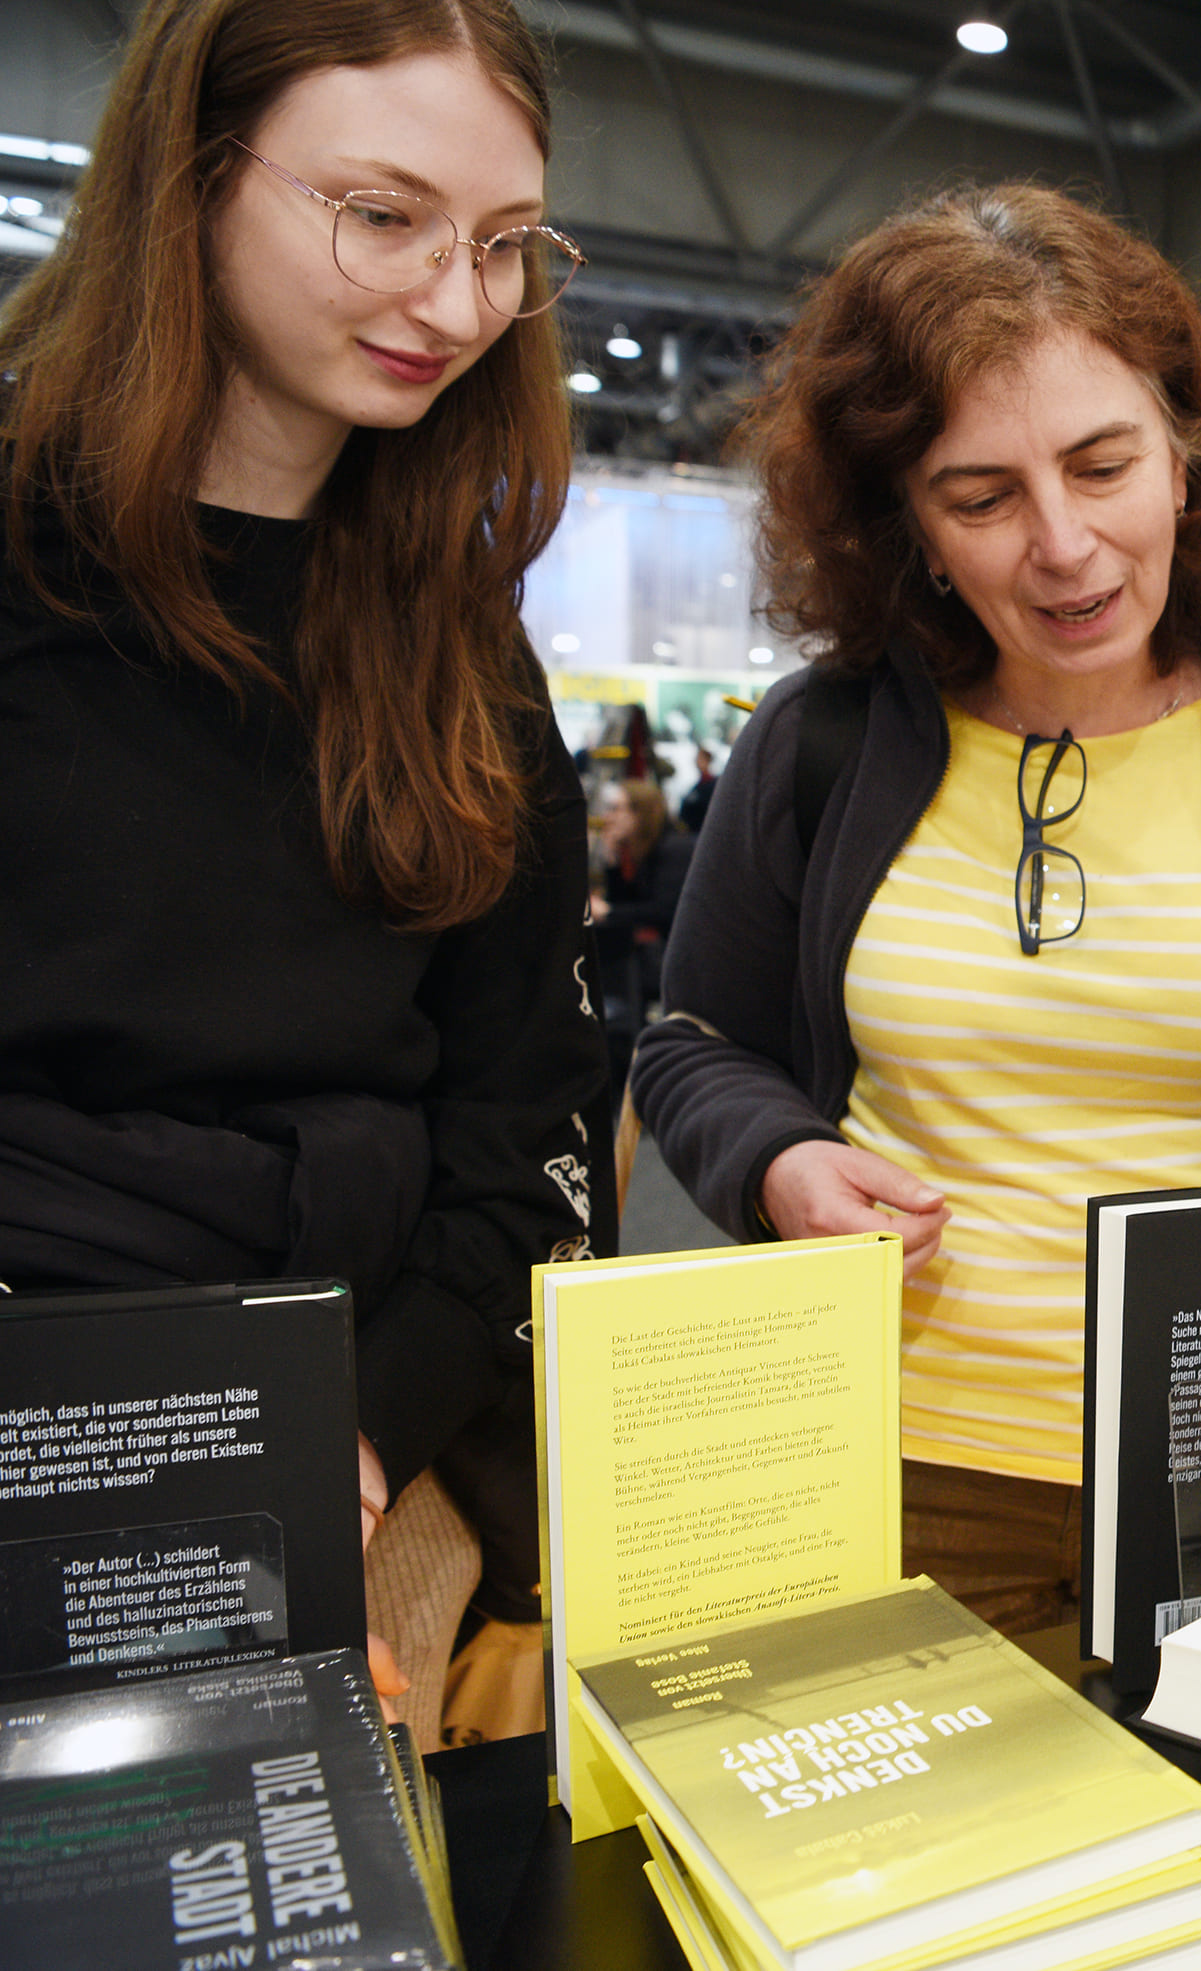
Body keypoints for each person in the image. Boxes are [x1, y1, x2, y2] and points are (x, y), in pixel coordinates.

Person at [632, 184, 1201, 1635]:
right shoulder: (820, 743)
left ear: (1185, 452)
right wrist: (782, 1160)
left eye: (1103, 464)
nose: (1063, 542)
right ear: (906, 523)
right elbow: (691, 1042)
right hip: (902, 1467)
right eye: (980, 496)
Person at [0, 0, 603, 1743]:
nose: (454, 302)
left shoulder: (462, 646)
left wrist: (345, 1430)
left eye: (503, 245)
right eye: (384, 214)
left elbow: (523, 1119)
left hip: (362, 1429)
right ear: (188, 179)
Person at [591, 776, 694, 1080]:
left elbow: (662, 911)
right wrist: (611, 859)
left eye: (617, 809)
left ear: (641, 813)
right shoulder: (645, 851)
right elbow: (626, 902)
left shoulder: (673, 849)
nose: (609, 817)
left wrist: (609, 910)